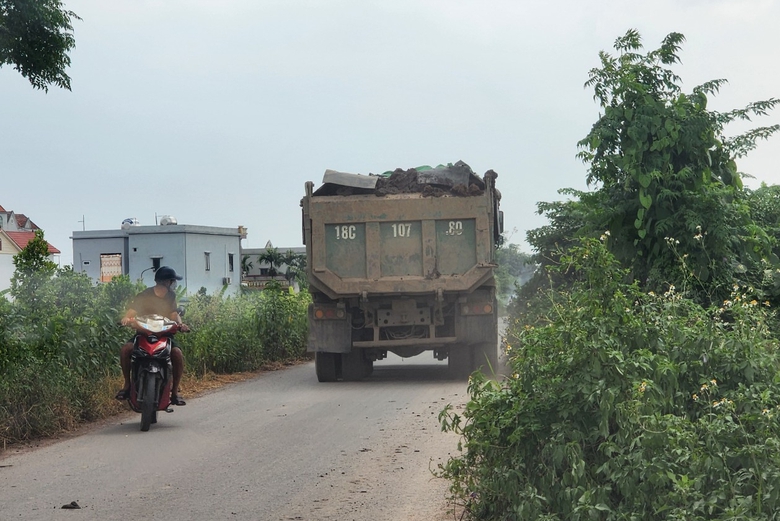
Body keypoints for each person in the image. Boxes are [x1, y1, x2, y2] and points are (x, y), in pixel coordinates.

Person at [116, 266, 190, 406]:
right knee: (126, 349)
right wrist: (126, 318)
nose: (173, 284)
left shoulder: (171, 296)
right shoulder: (145, 294)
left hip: (165, 335)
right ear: (167, 282)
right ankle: (127, 384)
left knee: (177, 354)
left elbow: (174, 314)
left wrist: (180, 324)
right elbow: (132, 310)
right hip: (144, 333)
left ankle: (174, 392)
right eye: (172, 281)